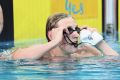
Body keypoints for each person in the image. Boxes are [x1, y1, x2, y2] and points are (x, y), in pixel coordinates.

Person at [1, 13, 119, 61]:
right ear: (51, 34)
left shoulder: (84, 51)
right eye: (68, 30)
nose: (76, 34)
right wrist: (55, 41)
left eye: (76, 29)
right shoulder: (43, 55)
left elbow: (115, 62)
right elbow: (15, 57)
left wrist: (99, 43)